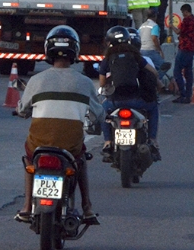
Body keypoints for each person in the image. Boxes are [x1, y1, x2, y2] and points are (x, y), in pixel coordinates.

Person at [14, 25, 104, 224]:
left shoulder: (36, 80)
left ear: (48, 51)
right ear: (75, 51)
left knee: (29, 159)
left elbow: (22, 110)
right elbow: (98, 113)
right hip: (70, 145)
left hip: (39, 144)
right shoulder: (85, 82)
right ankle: (87, 207)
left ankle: (27, 206)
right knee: (80, 159)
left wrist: (23, 111)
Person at [98, 26, 160, 161]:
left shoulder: (108, 57)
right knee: (153, 107)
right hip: (136, 100)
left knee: (102, 111)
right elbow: (153, 72)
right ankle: (152, 139)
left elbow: (102, 83)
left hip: (114, 101)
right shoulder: (135, 55)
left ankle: (108, 141)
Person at [172, 4, 194, 104]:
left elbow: (178, 32)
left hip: (184, 48)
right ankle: (188, 96)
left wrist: (172, 26)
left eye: (183, 12)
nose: (182, 15)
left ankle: (182, 94)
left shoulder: (187, 21)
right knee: (188, 73)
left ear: (185, 11)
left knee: (177, 72)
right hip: (192, 49)